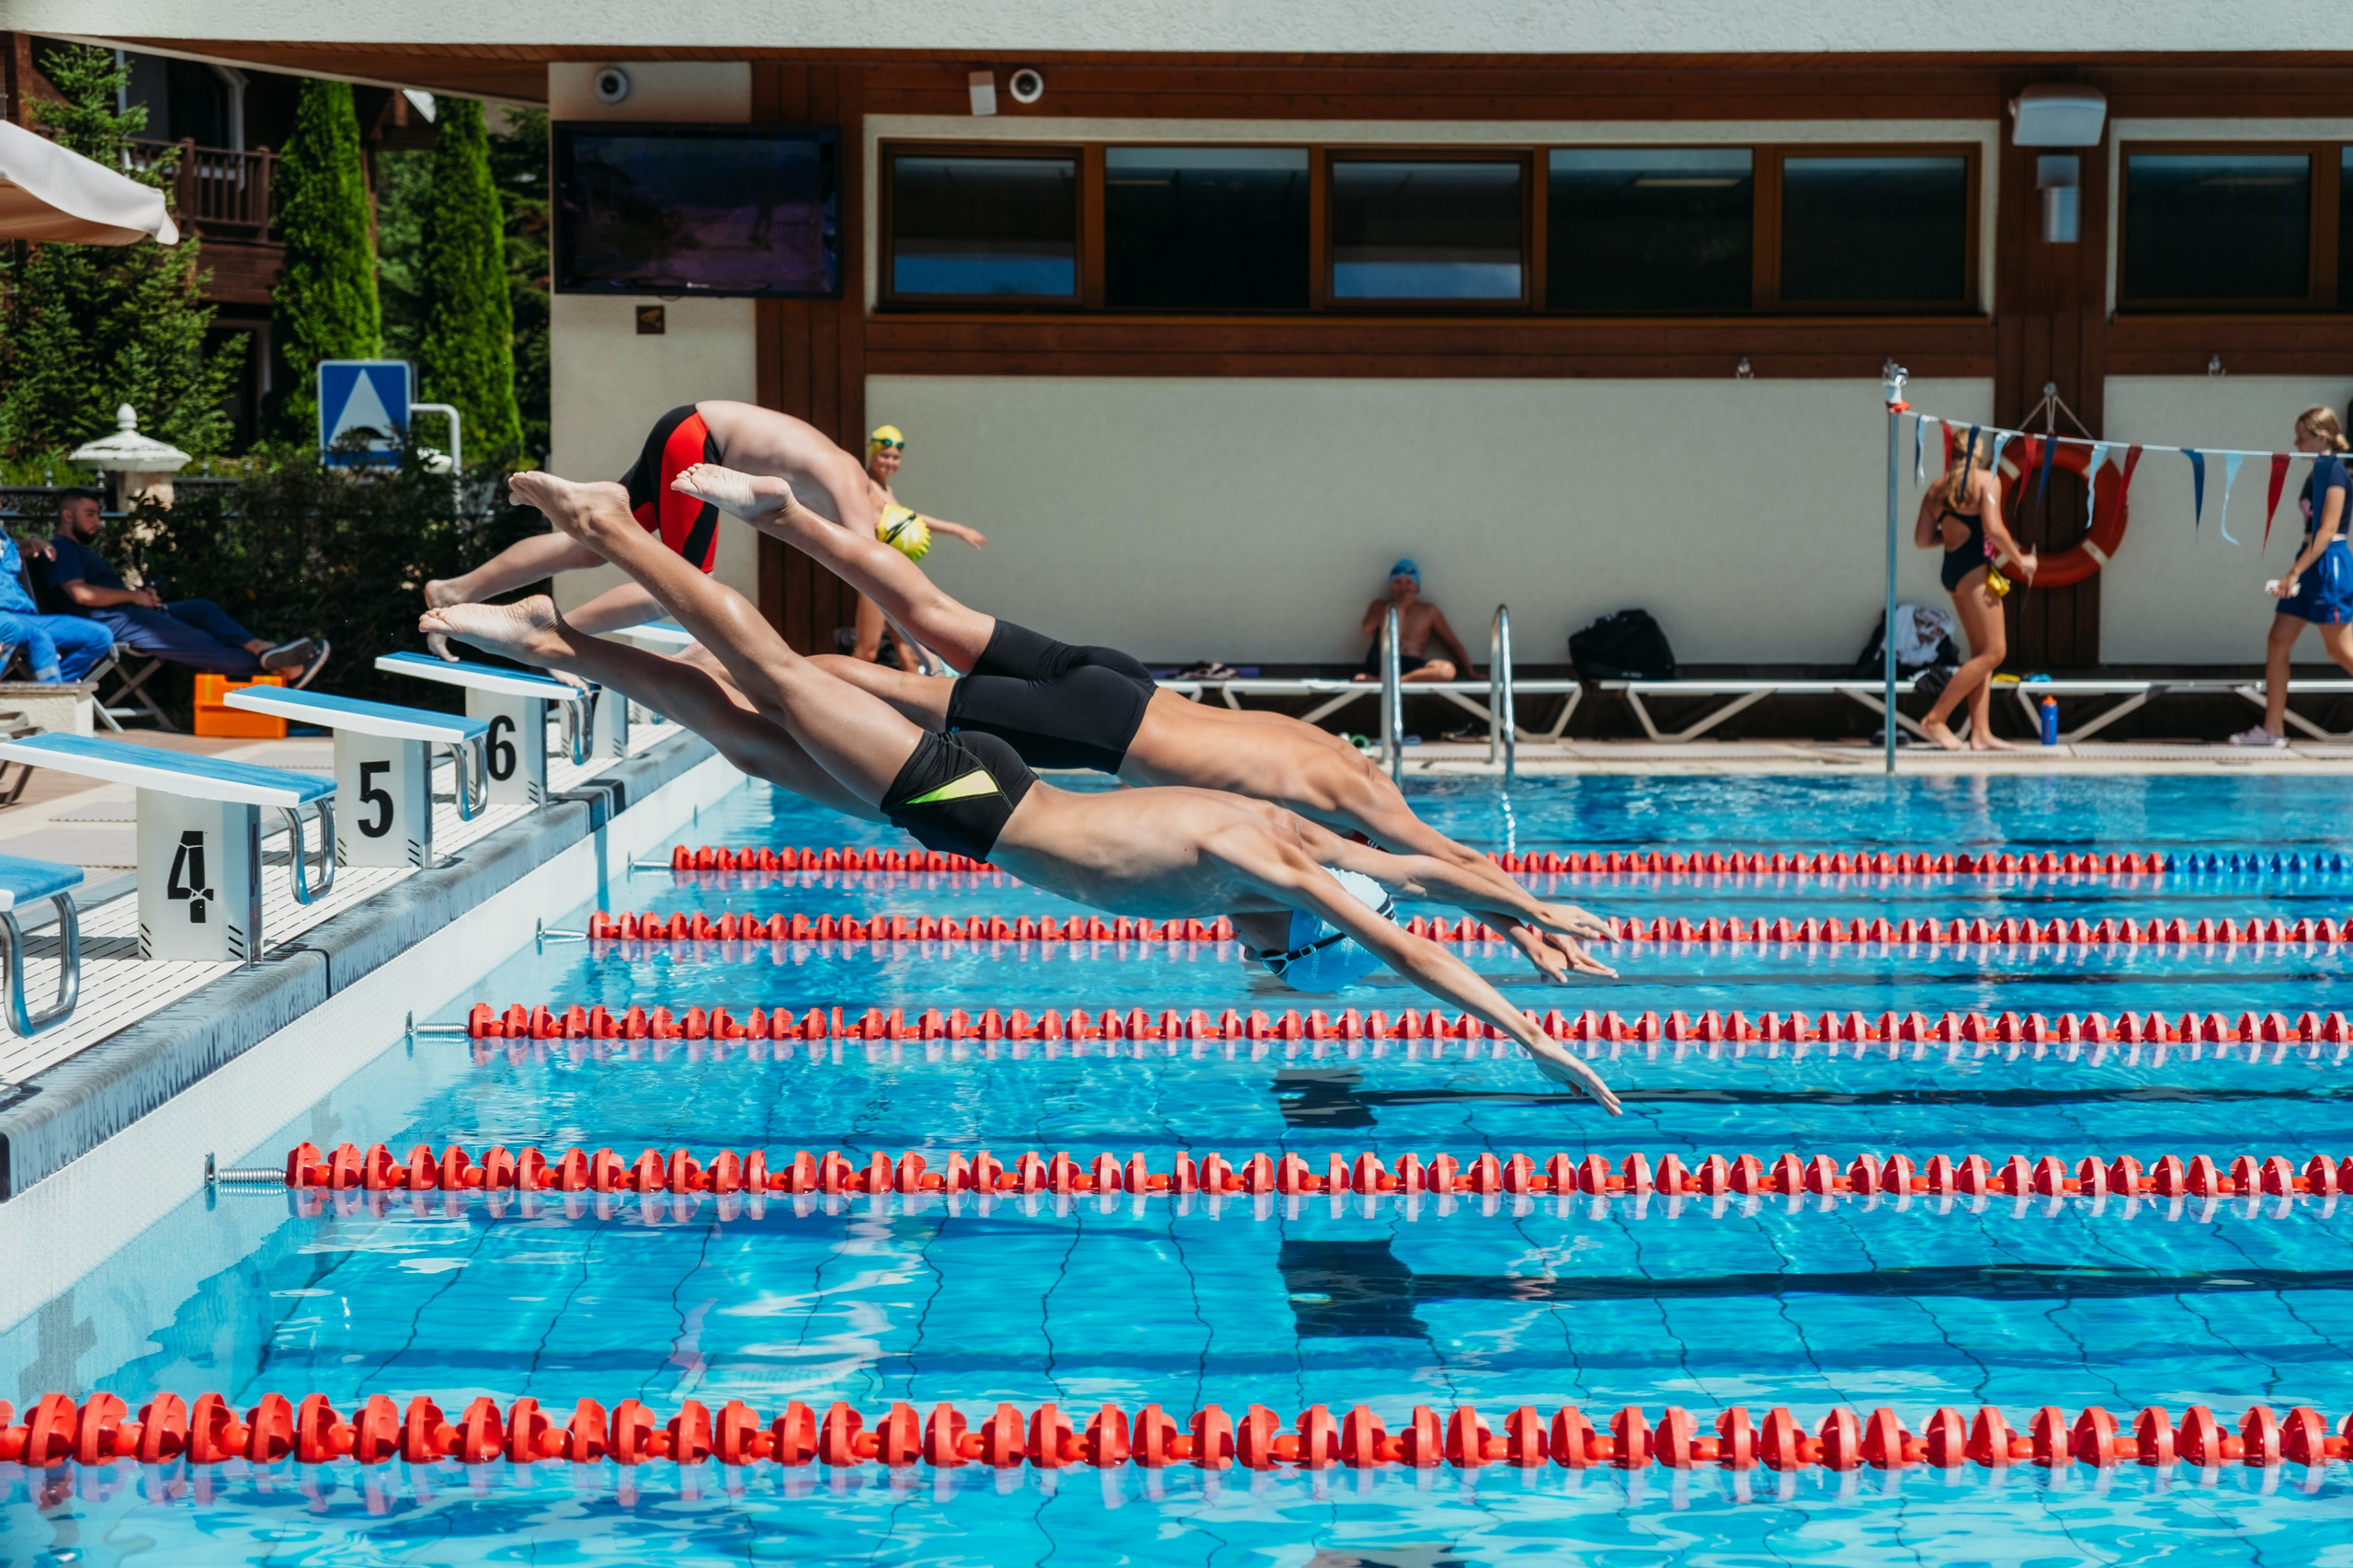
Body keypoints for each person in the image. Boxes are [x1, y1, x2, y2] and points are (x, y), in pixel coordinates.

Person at [421, 472, 1622, 1113]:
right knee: (776, 685)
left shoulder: (1285, 838)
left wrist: (1530, 913)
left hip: (988, 800)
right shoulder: (1264, 868)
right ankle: (619, 535)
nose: (1256, 961)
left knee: (763, 728)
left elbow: (1416, 873)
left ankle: (556, 641)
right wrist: (1526, 1031)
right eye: (1282, 960)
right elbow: (1398, 925)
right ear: (1298, 935)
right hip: (975, 805)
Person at [665, 457, 1610, 983]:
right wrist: (1522, 917)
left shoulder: (1338, 763)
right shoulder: (1354, 816)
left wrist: (1514, 914)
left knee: (926, 612)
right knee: (889, 692)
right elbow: (1434, 859)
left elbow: (1438, 860)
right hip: (1097, 737)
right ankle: (725, 657)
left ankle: (784, 517)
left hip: (1121, 685)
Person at [47, 491, 327, 686]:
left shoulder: (75, 550)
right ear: (68, 516)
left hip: (127, 612)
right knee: (204, 644)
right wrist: (136, 597)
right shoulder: (63, 547)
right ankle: (287, 668)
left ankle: (261, 648)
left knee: (201, 609)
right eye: (90, 514)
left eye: (97, 515)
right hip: (117, 621)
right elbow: (79, 594)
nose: (97, 521)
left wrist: (142, 597)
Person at [2231, 405, 2353, 748]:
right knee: (2278, 640)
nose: (2296, 444)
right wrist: (2299, 566)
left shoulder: (2334, 472)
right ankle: (2273, 730)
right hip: (2308, 559)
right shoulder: (2317, 471)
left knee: (2342, 651)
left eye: (2302, 437)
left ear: (2322, 438)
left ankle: (2273, 729)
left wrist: (2294, 572)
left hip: (2328, 564)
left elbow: (2327, 530)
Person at [1912, 429, 2035, 751]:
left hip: (1953, 571)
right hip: (1975, 575)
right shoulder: (1985, 480)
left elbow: (1923, 540)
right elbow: (1994, 530)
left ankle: (1980, 733)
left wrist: (1955, 539)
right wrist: (2021, 559)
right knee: (1996, 652)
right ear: (1979, 453)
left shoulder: (1936, 488)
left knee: (1982, 655)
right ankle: (1935, 719)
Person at [849, 424, 986, 671]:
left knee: (910, 655)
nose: (890, 462)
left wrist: (958, 529)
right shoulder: (865, 484)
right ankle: (835, 701)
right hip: (874, 576)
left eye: (895, 458)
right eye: (884, 455)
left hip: (892, 576)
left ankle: (913, 710)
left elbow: (911, 518)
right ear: (872, 453)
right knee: (866, 653)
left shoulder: (885, 488)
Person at [0, 529, 110, 684]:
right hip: (5, 622)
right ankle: (50, 696)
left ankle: (52, 695)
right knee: (38, 637)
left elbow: (9, 547)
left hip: (25, 616)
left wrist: (30, 544)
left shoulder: (4, 538)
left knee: (99, 636)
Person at [1352, 560, 1477, 683]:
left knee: (1446, 670)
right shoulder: (1380, 605)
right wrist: (1399, 606)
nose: (1403, 587)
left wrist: (1471, 672)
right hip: (1381, 663)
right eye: (1398, 582)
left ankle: (1391, 681)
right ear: (1391, 586)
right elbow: (1367, 628)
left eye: (1408, 582)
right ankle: (1385, 677)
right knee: (1396, 612)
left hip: (1412, 666)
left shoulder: (1429, 611)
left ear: (1417, 587)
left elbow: (1452, 643)